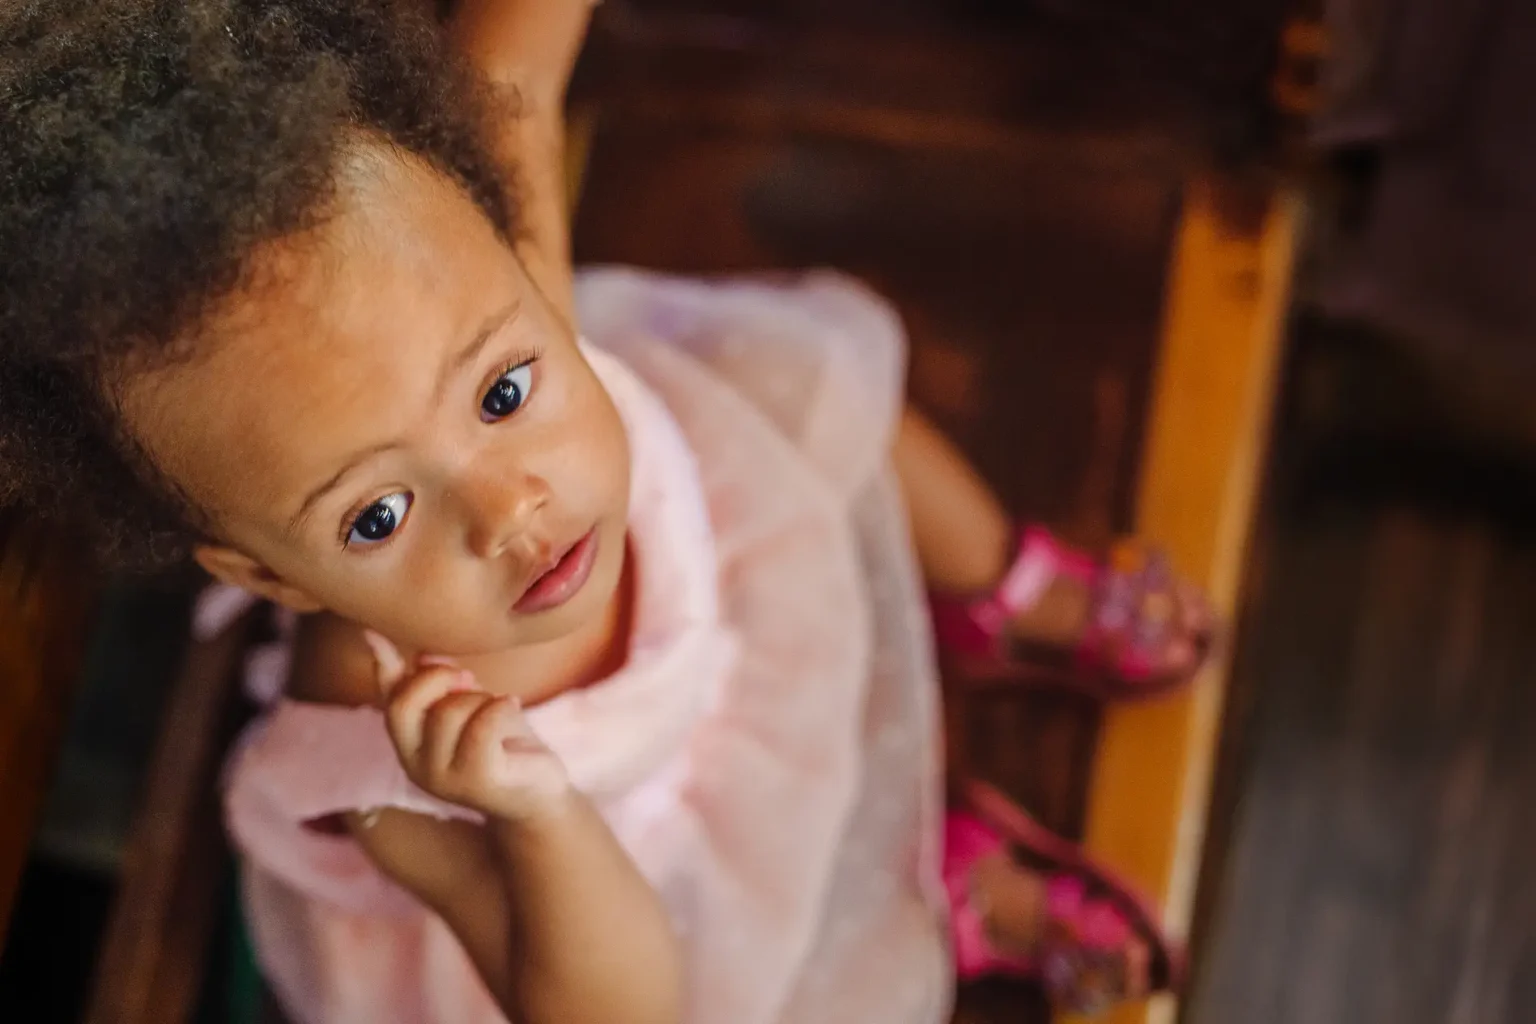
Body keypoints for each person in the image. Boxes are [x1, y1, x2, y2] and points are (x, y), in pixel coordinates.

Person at [0, 1, 1211, 1021]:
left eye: (505, 389)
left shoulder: (498, 247)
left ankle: (1002, 587)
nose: (507, 506)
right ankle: (916, 879)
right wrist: (535, 813)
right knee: (794, 911)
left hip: (736, 545)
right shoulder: (369, 736)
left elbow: (513, 59)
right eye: (375, 517)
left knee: (834, 408)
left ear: (518, 268)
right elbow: (606, 1011)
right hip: (655, 860)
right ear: (273, 578)